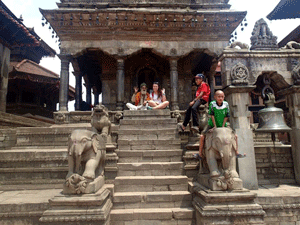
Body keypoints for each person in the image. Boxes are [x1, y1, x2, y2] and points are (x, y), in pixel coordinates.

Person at [194, 90, 246, 160]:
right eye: (219, 97)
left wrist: (223, 126)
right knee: (202, 136)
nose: (220, 98)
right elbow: (212, 115)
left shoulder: (226, 104)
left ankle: (237, 152)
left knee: (235, 136)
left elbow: (226, 116)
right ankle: (200, 153)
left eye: (222, 97)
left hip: (223, 124)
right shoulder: (212, 104)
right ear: (215, 97)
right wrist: (215, 126)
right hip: (212, 124)